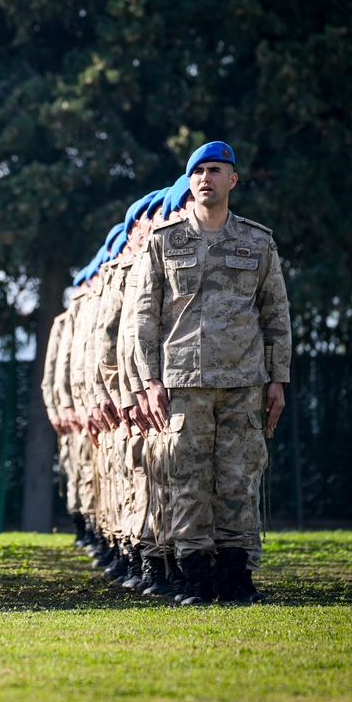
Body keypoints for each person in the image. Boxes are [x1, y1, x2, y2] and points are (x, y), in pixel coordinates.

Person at [135, 142, 292, 604]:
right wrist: (150, 380)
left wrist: (277, 378)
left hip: (245, 382)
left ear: (232, 180)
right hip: (183, 384)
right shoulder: (164, 242)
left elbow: (276, 314)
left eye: (215, 170)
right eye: (198, 171)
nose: (206, 178)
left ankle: (236, 576)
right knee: (187, 480)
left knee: (239, 481)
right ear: (189, 182)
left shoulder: (257, 241)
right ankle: (194, 577)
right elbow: (144, 317)